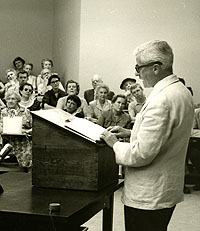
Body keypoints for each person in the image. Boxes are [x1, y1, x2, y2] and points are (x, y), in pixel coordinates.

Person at [100, 40, 194, 231]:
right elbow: (166, 134)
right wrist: (130, 132)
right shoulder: (180, 91)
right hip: (165, 186)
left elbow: (141, 154)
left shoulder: (161, 99)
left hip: (149, 193)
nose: (136, 73)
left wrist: (114, 144)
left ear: (157, 68)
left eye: (138, 67)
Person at [0, 90, 32, 171]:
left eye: (13, 99)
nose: (10, 101)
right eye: (9, 99)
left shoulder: (25, 111)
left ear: (18, 100)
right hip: (6, 137)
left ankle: (25, 167)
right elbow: (0, 125)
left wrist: (26, 131)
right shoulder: (3, 112)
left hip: (22, 138)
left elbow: (32, 127)